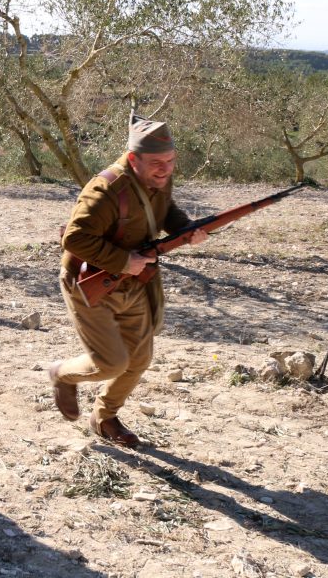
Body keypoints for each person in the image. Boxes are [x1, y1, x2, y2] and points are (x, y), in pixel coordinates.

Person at [48, 113, 209, 448]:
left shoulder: (158, 177)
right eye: (156, 163)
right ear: (133, 159)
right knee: (112, 363)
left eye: (170, 161)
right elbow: (74, 240)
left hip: (133, 282)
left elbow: (163, 210)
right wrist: (124, 260)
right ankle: (63, 374)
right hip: (90, 283)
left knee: (138, 359)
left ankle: (104, 417)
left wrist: (185, 229)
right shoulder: (107, 189)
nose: (165, 169)